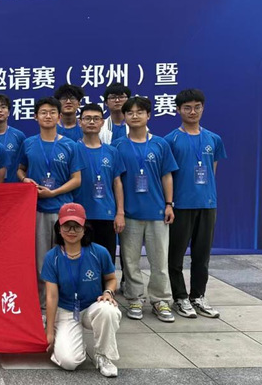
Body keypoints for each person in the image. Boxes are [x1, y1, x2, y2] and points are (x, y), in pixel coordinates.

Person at [114, 96, 179, 322]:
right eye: (130, 112)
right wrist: (120, 211)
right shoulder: (118, 146)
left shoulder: (160, 144)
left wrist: (169, 204)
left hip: (157, 213)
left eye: (139, 112)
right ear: (124, 117)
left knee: (159, 261)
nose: (135, 116)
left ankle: (161, 300)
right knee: (130, 261)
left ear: (148, 115)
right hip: (130, 214)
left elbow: (167, 175)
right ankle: (135, 298)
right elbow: (116, 181)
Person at [165, 89, 226, 319]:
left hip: (207, 205)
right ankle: (180, 297)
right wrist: (169, 203)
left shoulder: (213, 139)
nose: (192, 112)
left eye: (197, 107)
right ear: (178, 110)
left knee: (202, 255)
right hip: (181, 205)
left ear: (203, 108)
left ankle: (198, 296)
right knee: (176, 255)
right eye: (187, 107)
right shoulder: (170, 140)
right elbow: (167, 175)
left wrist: (207, 195)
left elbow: (212, 170)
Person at [18, 97, 84, 309]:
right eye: (43, 112)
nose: (48, 116)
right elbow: (20, 169)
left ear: (59, 116)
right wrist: (24, 179)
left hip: (62, 212)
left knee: (64, 258)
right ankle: (40, 302)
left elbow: (77, 179)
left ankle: (63, 301)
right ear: (35, 117)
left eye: (52, 112)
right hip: (36, 210)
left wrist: (53, 192)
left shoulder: (70, 145)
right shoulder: (28, 143)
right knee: (39, 259)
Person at [42, 203, 121, 377]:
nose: (72, 231)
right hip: (66, 311)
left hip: (92, 307)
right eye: (67, 226)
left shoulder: (99, 252)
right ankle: (70, 338)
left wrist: (108, 292)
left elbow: (111, 279)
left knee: (108, 310)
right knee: (69, 362)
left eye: (77, 226)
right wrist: (49, 332)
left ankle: (103, 356)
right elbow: (52, 296)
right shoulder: (52, 257)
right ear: (59, 229)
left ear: (85, 228)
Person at [74, 103, 126, 260]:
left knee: (106, 261)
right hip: (79, 215)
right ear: (80, 122)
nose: (92, 122)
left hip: (106, 214)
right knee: (81, 260)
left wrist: (120, 213)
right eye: (87, 118)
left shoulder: (112, 151)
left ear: (102, 122)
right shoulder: (72, 149)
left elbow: (117, 183)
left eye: (96, 118)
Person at [0, 94, 26, 183]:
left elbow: (24, 164)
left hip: (13, 186)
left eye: (3, 107)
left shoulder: (19, 136)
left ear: (9, 112)